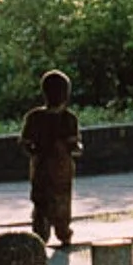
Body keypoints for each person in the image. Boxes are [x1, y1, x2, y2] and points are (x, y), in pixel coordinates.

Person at [21, 68, 82, 247]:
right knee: (62, 202)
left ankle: (40, 234)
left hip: (40, 167)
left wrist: (35, 154)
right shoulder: (70, 119)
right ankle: (63, 233)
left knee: (40, 203)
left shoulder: (34, 117)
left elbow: (25, 143)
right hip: (62, 170)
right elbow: (74, 146)